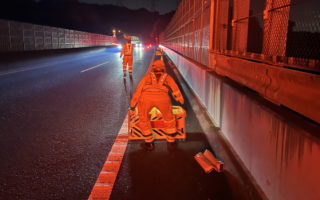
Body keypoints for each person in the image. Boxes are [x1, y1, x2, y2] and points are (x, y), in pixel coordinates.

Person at [130, 59, 184, 151]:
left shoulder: (146, 77)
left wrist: (133, 104)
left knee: (143, 118)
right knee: (168, 118)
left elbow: (138, 91)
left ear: (153, 68)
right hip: (163, 99)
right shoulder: (167, 77)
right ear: (163, 68)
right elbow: (175, 89)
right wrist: (180, 100)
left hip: (146, 98)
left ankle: (149, 142)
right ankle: (170, 141)